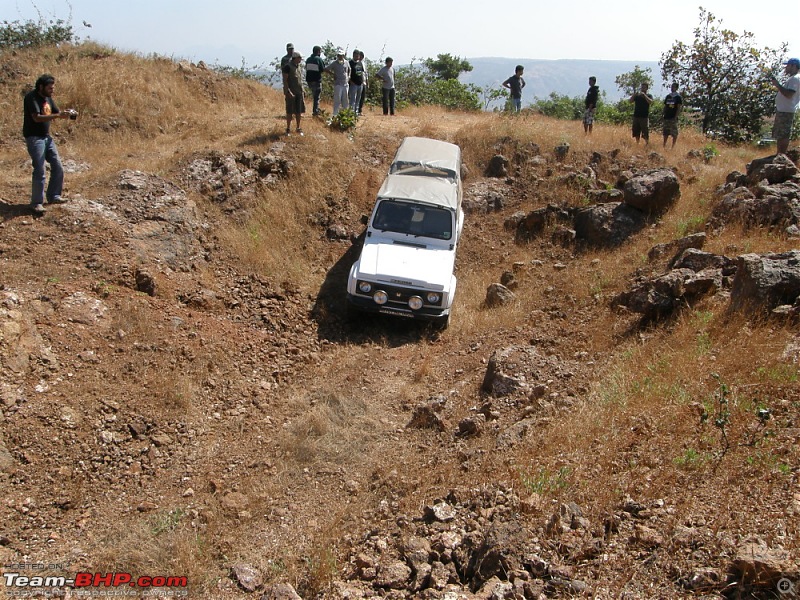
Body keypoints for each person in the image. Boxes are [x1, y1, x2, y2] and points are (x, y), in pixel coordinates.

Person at [23, 74, 77, 215]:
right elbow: (37, 118)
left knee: (57, 165)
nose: (52, 90)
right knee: (40, 169)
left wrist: (66, 113)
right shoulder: (32, 98)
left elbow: (56, 112)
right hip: (35, 139)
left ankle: (54, 196)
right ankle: (36, 203)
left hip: (47, 138)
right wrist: (58, 116)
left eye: (53, 88)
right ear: (41, 87)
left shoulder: (48, 99)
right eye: (50, 88)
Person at [769, 58, 800, 155]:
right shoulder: (794, 78)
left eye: (788, 65)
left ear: (794, 66)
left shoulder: (795, 79)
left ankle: (781, 155)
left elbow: (789, 94)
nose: (786, 68)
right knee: (781, 134)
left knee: (783, 134)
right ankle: (779, 154)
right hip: (783, 109)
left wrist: (777, 85)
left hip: (786, 110)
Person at [282, 52, 305, 136]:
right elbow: (285, 80)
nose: (300, 60)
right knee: (289, 111)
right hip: (291, 93)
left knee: (298, 111)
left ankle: (298, 128)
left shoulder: (298, 67)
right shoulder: (288, 67)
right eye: (299, 58)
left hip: (298, 92)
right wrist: (288, 91)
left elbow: (299, 79)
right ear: (295, 58)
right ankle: (288, 129)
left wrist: (303, 90)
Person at [325, 49, 350, 116]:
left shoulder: (346, 62)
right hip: (338, 84)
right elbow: (326, 69)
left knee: (345, 100)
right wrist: (333, 74)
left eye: (341, 55)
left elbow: (349, 70)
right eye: (339, 55)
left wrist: (348, 77)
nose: (340, 56)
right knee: (337, 100)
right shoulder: (334, 63)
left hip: (345, 84)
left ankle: (345, 115)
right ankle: (335, 115)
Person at [305, 46, 326, 116]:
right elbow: (323, 69)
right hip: (316, 80)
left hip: (309, 81)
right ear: (318, 51)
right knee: (317, 97)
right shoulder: (318, 59)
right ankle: (315, 111)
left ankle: (316, 110)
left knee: (314, 95)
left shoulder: (308, 59)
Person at [662, 83, 683, 148]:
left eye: (673, 87)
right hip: (667, 117)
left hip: (673, 117)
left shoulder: (678, 97)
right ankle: (664, 145)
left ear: (676, 88)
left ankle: (673, 146)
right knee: (665, 132)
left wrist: (676, 116)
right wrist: (663, 114)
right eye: (671, 87)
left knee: (674, 133)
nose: (672, 88)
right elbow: (666, 106)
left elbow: (678, 108)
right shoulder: (668, 96)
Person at [348, 49, 366, 115]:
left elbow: (361, 73)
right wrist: (350, 81)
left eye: (357, 56)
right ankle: (351, 113)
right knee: (352, 100)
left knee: (358, 100)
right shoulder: (350, 63)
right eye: (355, 55)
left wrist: (363, 81)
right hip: (353, 84)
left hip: (360, 84)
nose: (356, 57)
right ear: (353, 55)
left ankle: (356, 113)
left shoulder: (360, 63)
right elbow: (347, 73)